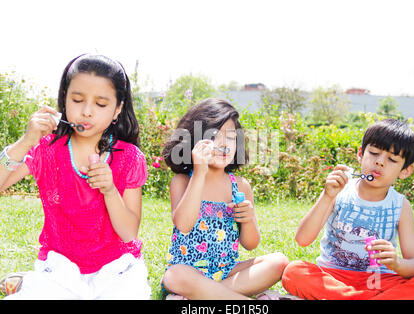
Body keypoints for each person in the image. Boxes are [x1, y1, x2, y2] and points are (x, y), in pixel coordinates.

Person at [0, 54, 151, 299]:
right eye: (77, 100)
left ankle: (26, 283)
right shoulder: (47, 149)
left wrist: (110, 190)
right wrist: (26, 141)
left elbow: (128, 233)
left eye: (101, 104)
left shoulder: (129, 157)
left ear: (118, 109)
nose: (87, 112)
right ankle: (30, 283)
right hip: (60, 269)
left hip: (118, 271)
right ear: (64, 99)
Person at [282, 119, 414, 300]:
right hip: (333, 276)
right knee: (294, 271)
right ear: (360, 154)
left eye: (392, 159)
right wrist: (327, 196)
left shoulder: (401, 205)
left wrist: (397, 263)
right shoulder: (339, 191)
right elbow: (302, 239)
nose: (380, 162)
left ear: (405, 171)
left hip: (380, 281)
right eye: (374, 153)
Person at [161, 98, 289, 300]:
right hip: (188, 271)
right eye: (213, 136)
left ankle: (201, 295)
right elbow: (183, 225)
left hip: (228, 270)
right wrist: (200, 172)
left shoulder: (240, 185)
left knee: (279, 262)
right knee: (174, 275)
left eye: (230, 137)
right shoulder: (183, 181)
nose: (223, 144)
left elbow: (251, 243)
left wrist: (247, 219)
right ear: (194, 142)